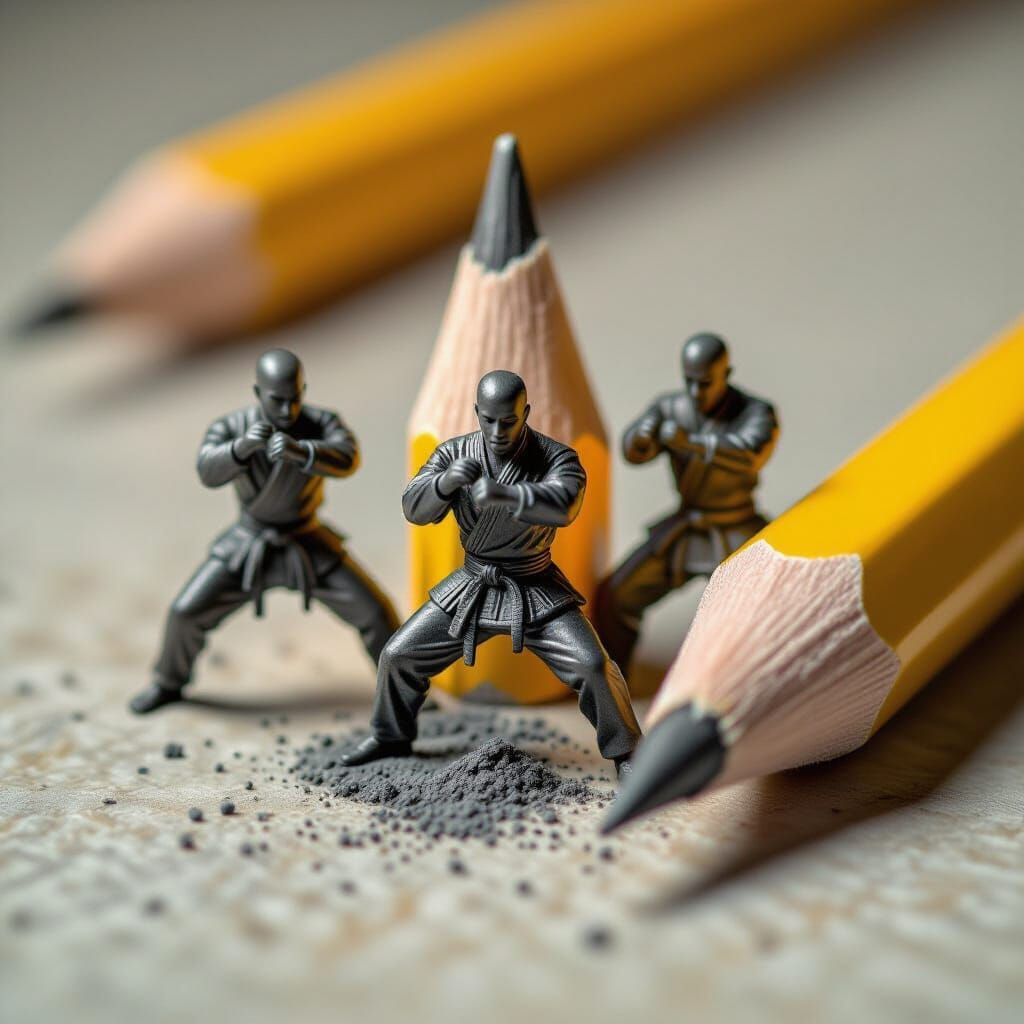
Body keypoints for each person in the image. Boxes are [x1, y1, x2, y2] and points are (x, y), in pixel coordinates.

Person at [341, 370, 642, 776]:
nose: (498, 430)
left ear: (526, 413)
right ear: (476, 413)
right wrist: (445, 484)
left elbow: (565, 504)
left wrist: (510, 494)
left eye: (509, 420)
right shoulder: (454, 454)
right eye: (489, 419)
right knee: (398, 655)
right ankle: (390, 735)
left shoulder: (555, 457)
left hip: (534, 584)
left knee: (591, 664)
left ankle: (627, 751)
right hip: (472, 584)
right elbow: (413, 507)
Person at [129, 348, 400, 713]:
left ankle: (401, 693)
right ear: (258, 393)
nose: (287, 409)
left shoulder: (320, 423)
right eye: (277, 400)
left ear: (303, 390)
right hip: (248, 543)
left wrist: (302, 451)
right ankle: (168, 681)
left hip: (306, 540)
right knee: (185, 612)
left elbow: (347, 457)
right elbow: (207, 471)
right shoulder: (232, 427)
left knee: (375, 612)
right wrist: (242, 449)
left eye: (294, 398)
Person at [593, 333, 779, 674]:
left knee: (761, 611)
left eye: (706, 383)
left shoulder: (756, 412)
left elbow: (749, 454)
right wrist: (642, 435)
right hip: (687, 527)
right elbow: (632, 452)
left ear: (727, 373)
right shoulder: (671, 408)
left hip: (738, 527)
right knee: (618, 595)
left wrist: (690, 442)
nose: (696, 393)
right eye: (689, 382)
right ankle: (612, 684)